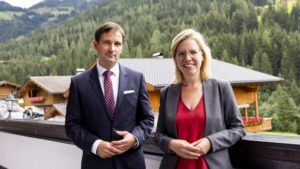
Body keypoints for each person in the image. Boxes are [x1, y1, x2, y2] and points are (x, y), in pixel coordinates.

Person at [65, 22, 154, 169]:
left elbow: (147, 118)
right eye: (107, 42)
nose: (112, 49)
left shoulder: (136, 78)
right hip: (96, 164)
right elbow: (71, 126)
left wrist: (134, 138)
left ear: (122, 47)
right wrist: (96, 145)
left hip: (132, 163)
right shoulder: (78, 83)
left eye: (117, 44)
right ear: (96, 45)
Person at [154, 29, 246, 169]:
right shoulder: (167, 93)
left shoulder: (222, 88)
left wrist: (210, 142)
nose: (187, 58)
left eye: (193, 52)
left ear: (203, 56)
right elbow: (159, 134)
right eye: (181, 54)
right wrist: (172, 144)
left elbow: (238, 129)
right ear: (175, 59)